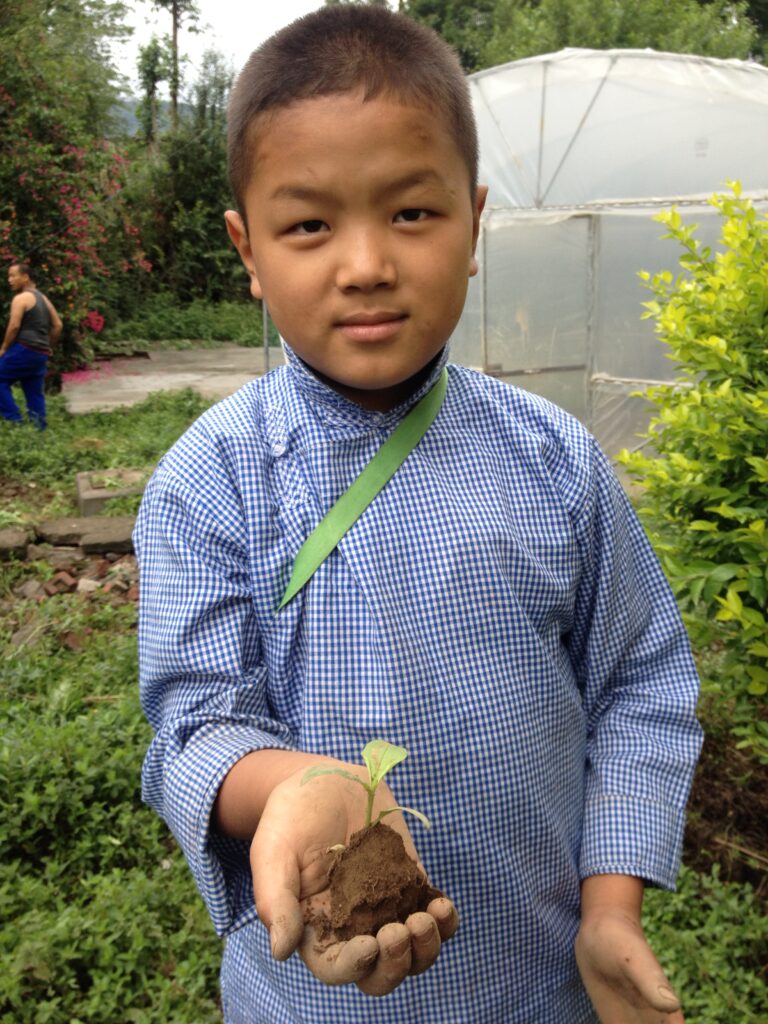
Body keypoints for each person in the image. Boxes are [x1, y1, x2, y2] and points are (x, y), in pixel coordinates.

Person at [134, 7, 702, 1023]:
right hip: (312, 1003)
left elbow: (640, 679)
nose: (365, 264)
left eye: (410, 213)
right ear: (248, 249)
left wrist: (611, 906)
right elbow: (197, 724)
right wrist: (295, 785)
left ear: (474, 224)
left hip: (542, 986)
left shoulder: (554, 459)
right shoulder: (208, 482)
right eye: (310, 226)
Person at [0, 262, 62, 429]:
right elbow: (58, 325)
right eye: (8, 276)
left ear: (25, 277)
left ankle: (14, 421)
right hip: (40, 353)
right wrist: (48, 346)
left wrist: (3, 348)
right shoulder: (43, 298)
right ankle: (39, 428)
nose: (9, 280)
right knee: (33, 390)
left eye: (13, 276)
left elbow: (14, 326)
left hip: (24, 348)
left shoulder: (20, 298)